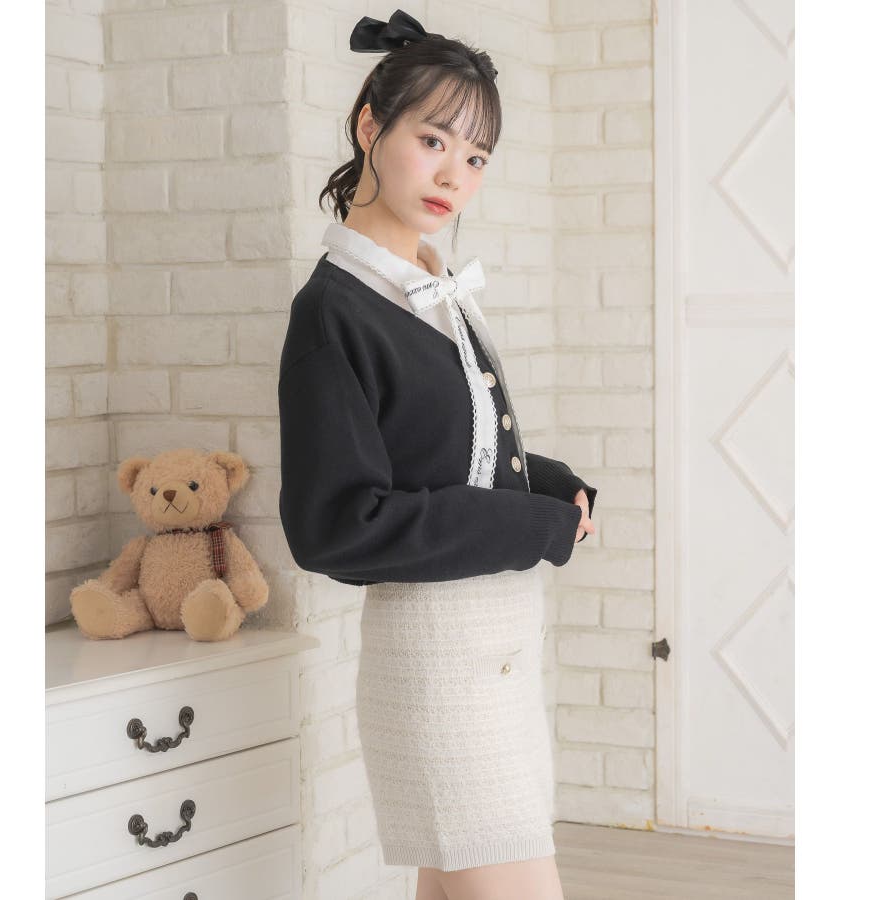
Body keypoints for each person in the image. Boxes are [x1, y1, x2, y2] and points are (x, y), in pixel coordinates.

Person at [277, 10, 597, 900]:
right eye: (433, 141)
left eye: (478, 156)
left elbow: (446, 453)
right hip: (439, 669)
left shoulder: (430, 287)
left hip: (496, 648)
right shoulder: (336, 310)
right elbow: (337, 526)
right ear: (369, 127)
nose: (456, 175)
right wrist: (532, 527)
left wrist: (553, 489)